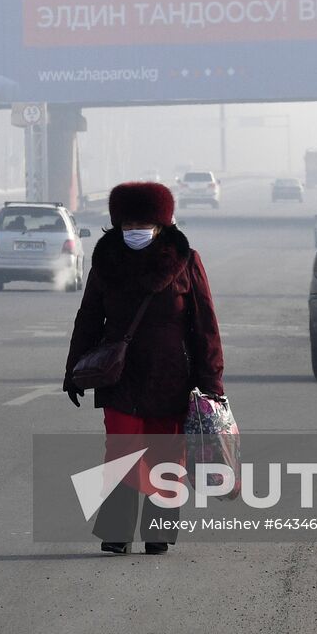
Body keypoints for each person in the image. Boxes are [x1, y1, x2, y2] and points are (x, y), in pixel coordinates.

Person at [62, 181, 225, 555]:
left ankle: (158, 534)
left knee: (166, 455)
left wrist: (211, 380)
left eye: (143, 224)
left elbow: (205, 326)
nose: (135, 231)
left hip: (172, 376)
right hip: (119, 375)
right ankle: (117, 532)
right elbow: (88, 318)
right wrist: (74, 371)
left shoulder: (186, 261)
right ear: (117, 224)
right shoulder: (106, 261)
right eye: (128, 224)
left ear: (162, 224)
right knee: (121, 451)